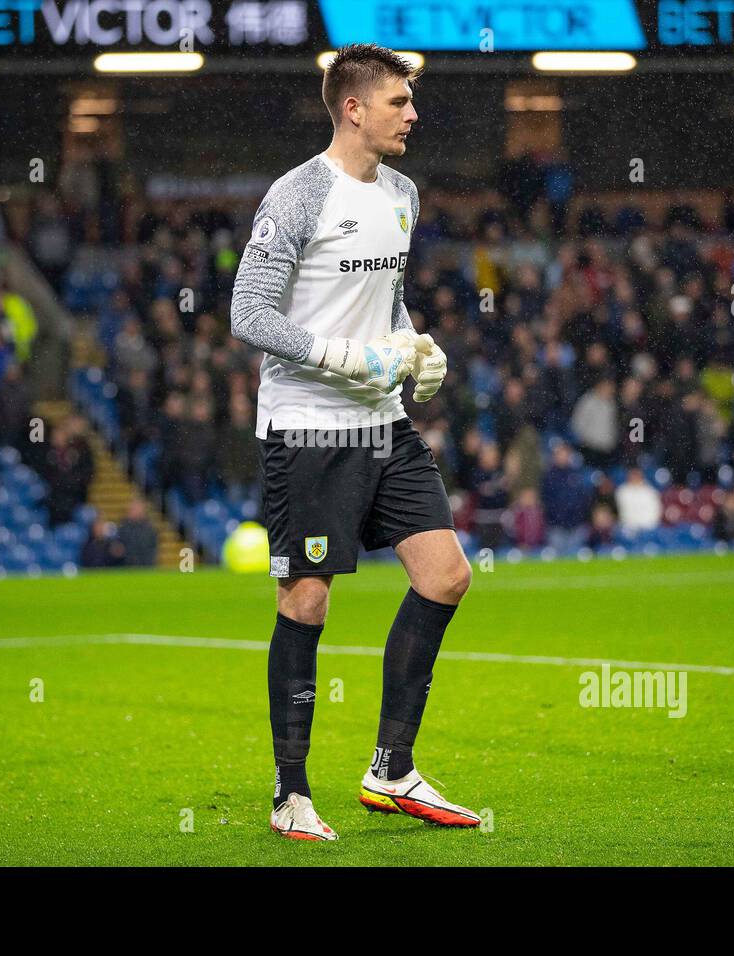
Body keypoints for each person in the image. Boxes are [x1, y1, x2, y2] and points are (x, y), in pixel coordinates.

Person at [228, 44, 476, 841]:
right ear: (354, 110)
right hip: (308, 429)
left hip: (383, 424)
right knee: (307, 599)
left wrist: (413, 345)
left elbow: (385, 300)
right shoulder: (297, 194)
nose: (414, 113)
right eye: (399, 102)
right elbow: (249, 314)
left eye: (411, 101)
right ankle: (289, 794)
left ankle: (391, 769)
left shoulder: (401, 192)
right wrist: (343, 356)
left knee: (445, 576)